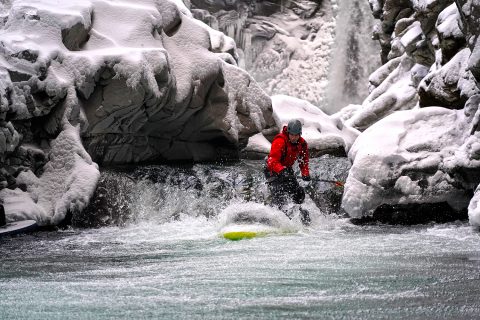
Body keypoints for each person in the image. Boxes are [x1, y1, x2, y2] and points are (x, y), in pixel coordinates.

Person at [265, 119, 311, 223]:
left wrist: (305, 174)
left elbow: (304, 161)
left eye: (296, 135)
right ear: (288, 132)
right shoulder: (280, 141)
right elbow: (272, 161)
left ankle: (299, 216)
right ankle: (274, 217)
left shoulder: (302, 143)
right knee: (279, 194)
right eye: (292, 135)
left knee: (299, 194)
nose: (294, 137)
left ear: (300, 134)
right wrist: (281, 171)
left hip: (287, 170)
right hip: (272, 170)